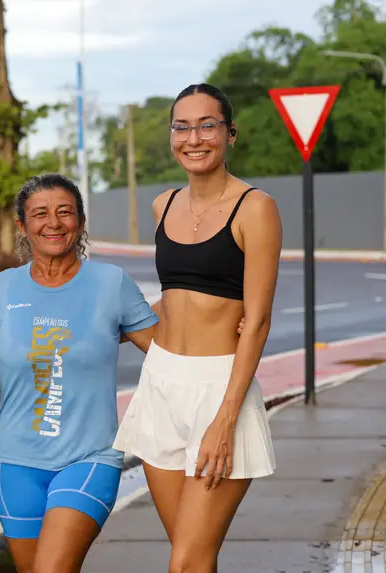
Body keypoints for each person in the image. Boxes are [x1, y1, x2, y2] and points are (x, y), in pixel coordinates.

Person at [113, 83, 281, 573]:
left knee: (186, 561)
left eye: (208, 125)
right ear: (171, 137)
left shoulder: (256, 208)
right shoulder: (162, 205)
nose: (195, 137)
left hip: (219, 388)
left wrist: (225, 420)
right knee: (191, 556)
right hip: (161, 385)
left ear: (230, 134)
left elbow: (259, 320)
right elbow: (172, 300)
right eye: (182, 127)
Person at [0, 173, 159, 573]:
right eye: (40, 213)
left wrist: (222, 326)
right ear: (22, 225)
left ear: (80, 221)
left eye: (65, 212)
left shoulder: (110, 283)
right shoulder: (2, 288)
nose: (53, 222)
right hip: (15, 462)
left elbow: (165, 347)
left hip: (89, 457)